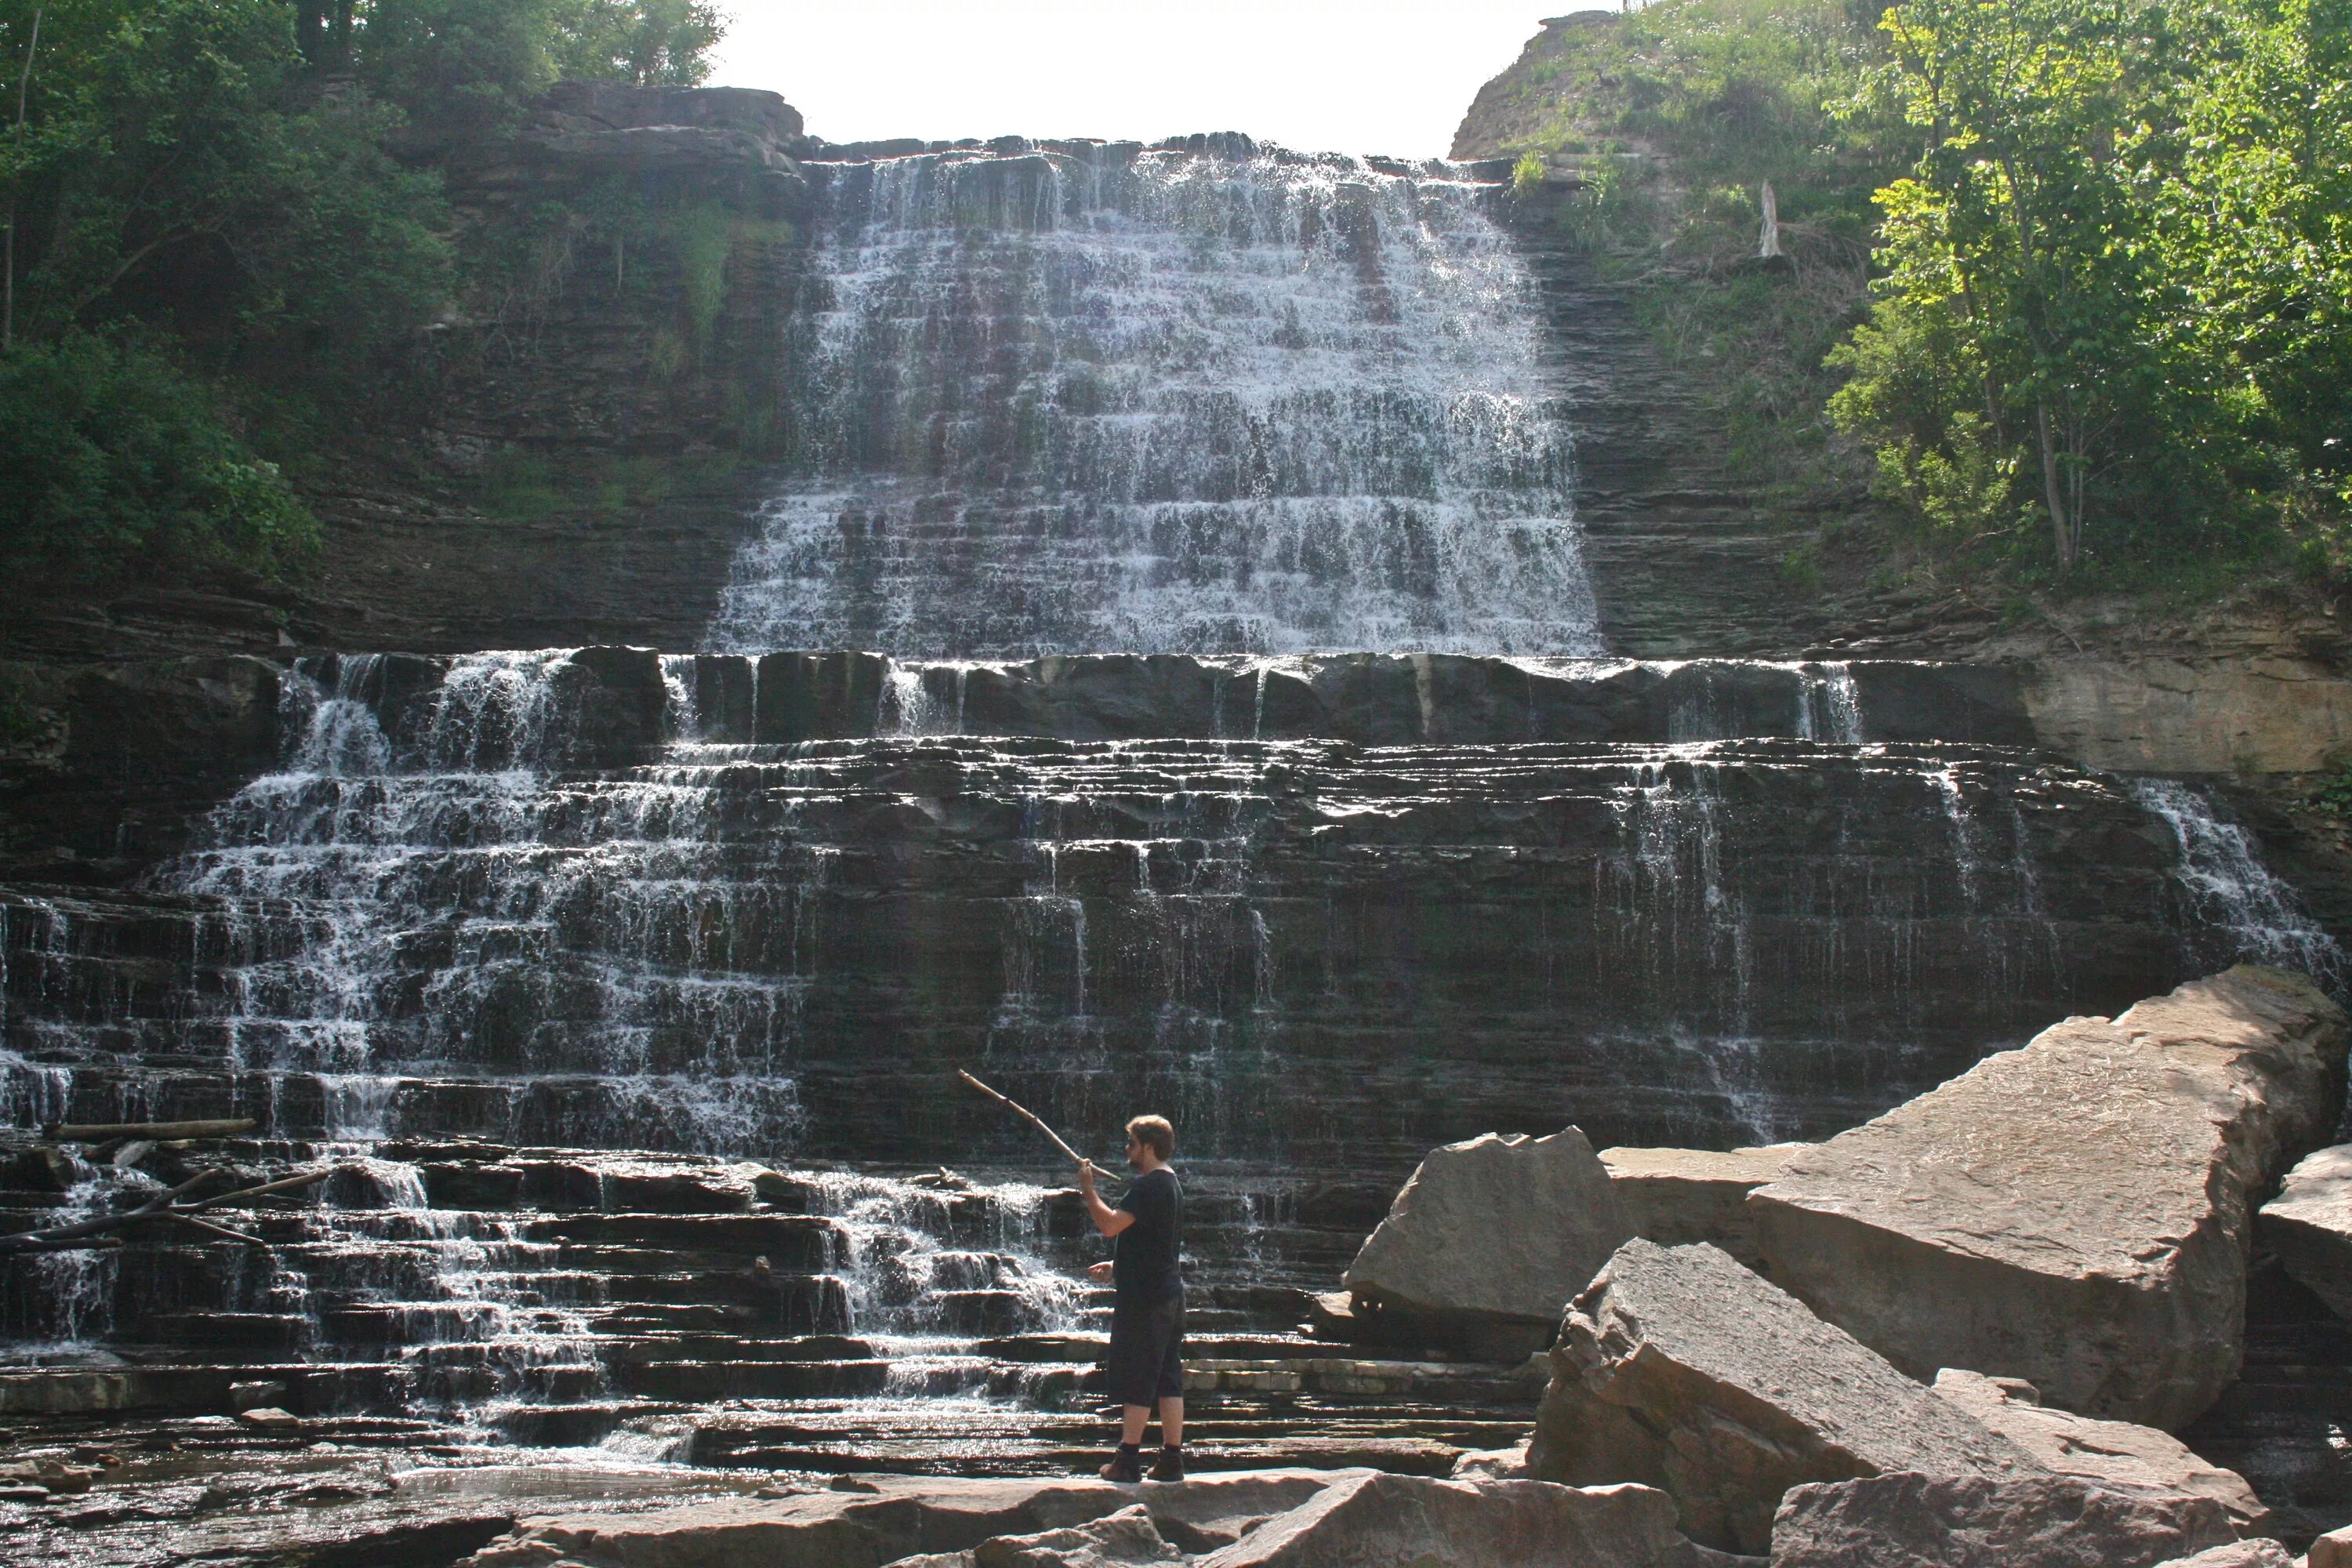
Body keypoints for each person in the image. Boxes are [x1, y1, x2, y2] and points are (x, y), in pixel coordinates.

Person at [1076, 1113, 1184, 1483]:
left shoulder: (1148, 1186)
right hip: (1169, 1292)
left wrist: (1088, 1189)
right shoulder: (1171, 1184)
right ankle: (1171, 1460)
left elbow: (1109, 1225)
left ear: (1148, 1146)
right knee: (1168, 1377)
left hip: (1146, 1299)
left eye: (1132, 1143)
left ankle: (1127, 1461)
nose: (1127, 1150)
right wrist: (1117, 1264)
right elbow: (1155, 1242)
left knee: (1139, 1375)